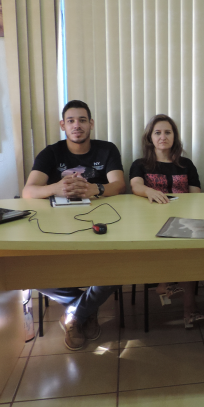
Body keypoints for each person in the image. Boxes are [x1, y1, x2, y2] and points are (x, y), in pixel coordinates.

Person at [21, 100, 125, 350]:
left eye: (81, 120)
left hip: (103, 223)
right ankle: (85, 309)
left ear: (90, 123)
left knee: (119, 266)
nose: (76, 125)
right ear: (63, 125)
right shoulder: (51, 153)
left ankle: (73, 316)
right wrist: (56, 188)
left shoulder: (106, 149)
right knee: (27, 271)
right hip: (59, 226)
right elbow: (28, 191)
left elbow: (119, 184)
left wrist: (95, 189)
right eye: (71, 121)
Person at [129, 113, 204, 328]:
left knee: (187, 252)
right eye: (158, 132)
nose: (163, 137)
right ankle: (176, 294)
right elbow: (135, 185)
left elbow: (196, 194)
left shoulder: (186, 164)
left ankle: (177, 295)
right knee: (180, 252)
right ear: (150, 138)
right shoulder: (141, 164)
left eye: (168, 132)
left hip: (183, 222)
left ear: (175, 137)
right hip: (151, 223)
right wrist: (149, 191)